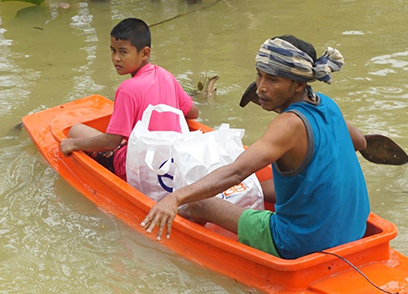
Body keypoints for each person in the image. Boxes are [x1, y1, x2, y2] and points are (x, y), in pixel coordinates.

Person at [141, 35, 371, 259]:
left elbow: (237, 172)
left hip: (300, 243)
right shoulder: (328, 105)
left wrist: (176, 198)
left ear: (299, 83)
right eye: (259, 76)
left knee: (197, 202)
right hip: (355, 230)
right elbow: (360, 142)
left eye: (273, 80)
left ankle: (190, 247)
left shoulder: (288, 124)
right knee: (263, 186)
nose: (261, 87)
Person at [60, 18, 199, 180]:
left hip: (137, 168)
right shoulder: (167, 76)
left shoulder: (127, 89)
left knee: (75, 130)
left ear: (145, 53)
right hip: (172, 161)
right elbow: (193, 113)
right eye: (113, 50)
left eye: (123, 52)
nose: (116, 58)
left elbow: (111, 142)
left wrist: (73, 144)